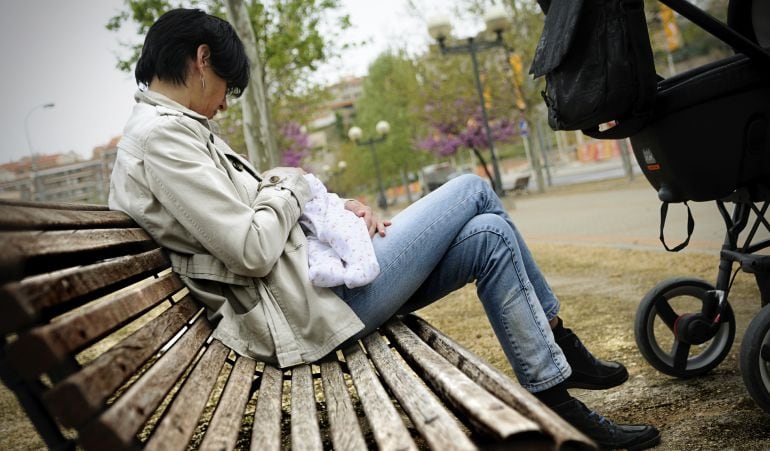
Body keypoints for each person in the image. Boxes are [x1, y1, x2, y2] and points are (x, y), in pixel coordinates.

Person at [108, 8, 660, 450]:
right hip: (304, 309)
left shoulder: (173, 130)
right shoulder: (161, 138)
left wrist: (326, 201)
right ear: (203, 59)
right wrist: (294, 184)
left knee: (490, 234)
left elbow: (257, 209)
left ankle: (556, 392)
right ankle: (562, 346)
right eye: (229, 87)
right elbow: (251, 247)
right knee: (472, 189)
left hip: (309, 290)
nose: (227, 104)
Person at [300, 173, 380, 288]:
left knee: (344, 235)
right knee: (316, 248)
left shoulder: (305, 185)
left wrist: (348, 203)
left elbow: (322, 194)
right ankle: (328, 268)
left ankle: (363, 265)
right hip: (310, 235)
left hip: (330, 219)